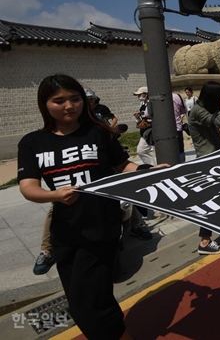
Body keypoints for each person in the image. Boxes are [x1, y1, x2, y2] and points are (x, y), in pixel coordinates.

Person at [17, 74, 162, 340]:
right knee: (80, 302)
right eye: (58, 100)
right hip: (65, 232)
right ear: (44, 104)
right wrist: (55, 196)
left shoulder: (99, 132)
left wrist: (147, 171)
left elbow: (121, 166)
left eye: (74, 99)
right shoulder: (32, 142)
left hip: (101, 228)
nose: (69, 106)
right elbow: (28, 186)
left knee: (92, 304)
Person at [187, 81, 220, 254]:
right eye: (219, 97)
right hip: (206, 160)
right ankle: (205, 242)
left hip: (216, 157)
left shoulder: (207, 108)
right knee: (210, 201)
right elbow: (218, 123)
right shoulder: (197, 111)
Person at [133, 86, 155, 166]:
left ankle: (155, 168)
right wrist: (138, 118)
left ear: (146, 94)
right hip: (145, 131)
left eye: (140, 95)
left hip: (152, 130)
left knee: (141, 150)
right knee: (141, 151)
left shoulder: (151, 103)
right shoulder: (142, 104)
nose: (139, 97)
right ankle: (153, 167)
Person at [172, 92, 187, 163]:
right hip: (177, 126)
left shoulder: (156, 97)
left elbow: (147, 114)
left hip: (164, 130)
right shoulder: (177, 96)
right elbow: (184, 110)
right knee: (180, 149)